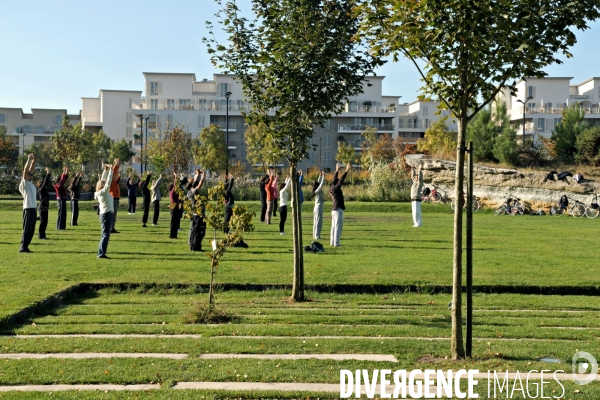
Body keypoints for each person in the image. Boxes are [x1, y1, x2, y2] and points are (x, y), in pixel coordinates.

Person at [95, 164, 114, 258]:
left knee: (104, 235)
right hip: (106, 215)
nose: (105, 182)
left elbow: (102, 181)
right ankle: (101, 253)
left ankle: (101, 253)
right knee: (105, 235)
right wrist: (111, 170)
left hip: (105, 214)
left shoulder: (100, 192)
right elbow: (108, 182)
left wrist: (105, 171)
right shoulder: (103, 192)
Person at [19, 153, 37, 253]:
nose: (31, 175)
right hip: (28, 208)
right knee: (27, 229)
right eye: (30, 174)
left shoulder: (30, 183)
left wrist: (34, 161)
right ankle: (23, 247)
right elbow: (26, 170)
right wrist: (29, 160)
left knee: (31, 230)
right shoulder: (24, 184)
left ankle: (26, 247)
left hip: (33, 208)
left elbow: (30, 169)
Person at [330, 162, 350, 247]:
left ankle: (332, 242)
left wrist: (337, 171)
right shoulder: (335, 188)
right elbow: (340, 181)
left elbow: (335, 179)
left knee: (334, 227)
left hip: (334, 210)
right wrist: (346, 171)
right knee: (338, 227)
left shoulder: (331, 188)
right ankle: (337, 243)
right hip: (338, 209)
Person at [187, 169, 206, 251]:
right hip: (198, 214)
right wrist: (203, 175)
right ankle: (196, 246)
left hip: (194, 213)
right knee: (198, 231)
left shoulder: (189, 192)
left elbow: (195, 182)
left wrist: (197, 174)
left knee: (194, 230)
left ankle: (192, 244)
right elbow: (200, 183)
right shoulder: (195, 191)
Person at [37, 167, 51, 240]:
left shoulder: (44, 190)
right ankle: (40, 236)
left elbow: (46, 183)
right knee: (43, 222)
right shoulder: (41, 190)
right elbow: (46, 182)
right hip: (42, 207)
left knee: (45, 222)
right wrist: (48, 173)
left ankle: (43, 235)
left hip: (45, 207)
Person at [54, 166, 69, 230]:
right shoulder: (57, 185)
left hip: (63, 199)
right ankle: (59, 227)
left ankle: (62, 227)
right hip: (60, 200)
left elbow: (64, 179)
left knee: (63, 213)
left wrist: (66, 171)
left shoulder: (60, 184)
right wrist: (64, 172)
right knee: (61, 213)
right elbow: (62, 180)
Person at [312, 171, 325, 239]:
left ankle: (315, 235)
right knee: (318, 222)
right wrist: (323, 176)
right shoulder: (317, 191)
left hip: (317, 207)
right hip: (319, 207)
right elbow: (321, 184)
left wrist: (320, 176)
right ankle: (317, 236)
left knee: (315, 222)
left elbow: (319, 183)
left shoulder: (316, 190)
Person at [168, 173, 180, 239]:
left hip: (175, 206)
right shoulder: (173, 192)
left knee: (175, 221)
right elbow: (175, 184)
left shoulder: (172, 192)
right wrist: (176, 176)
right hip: (174, 206)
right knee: (173, 221)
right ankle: (172, 235)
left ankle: (174, 235)